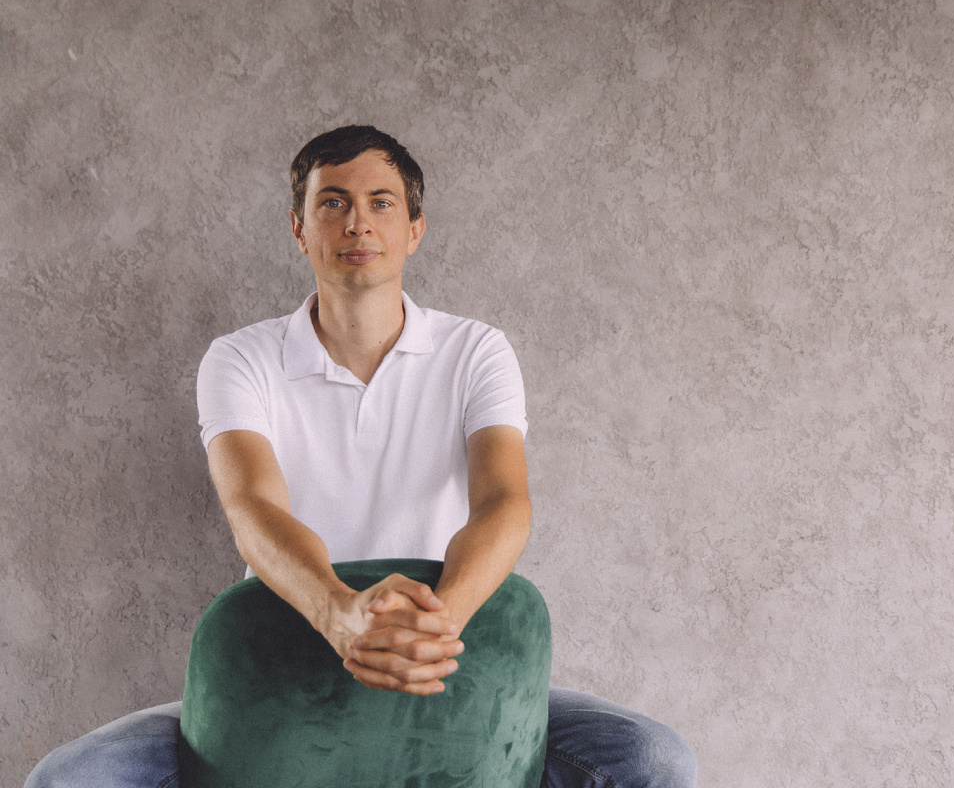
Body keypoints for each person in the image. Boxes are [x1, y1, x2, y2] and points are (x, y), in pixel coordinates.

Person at [25, 125, 697, 788]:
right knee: (70, 778)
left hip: (447, 652)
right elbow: (252, 507)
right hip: (287, 654)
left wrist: (438, 630)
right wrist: (337, 614)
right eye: (333, 202)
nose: (357, 223)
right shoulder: (239, 358)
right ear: (299, 229)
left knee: (654, 760)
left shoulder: (477, 351)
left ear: (414, 229)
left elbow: (504, 501)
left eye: (381, 202)